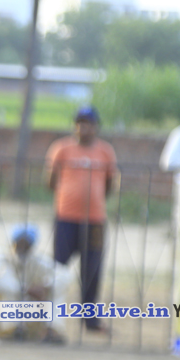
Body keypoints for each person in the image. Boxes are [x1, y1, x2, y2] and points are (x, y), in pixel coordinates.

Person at [44, 105, 117, 333]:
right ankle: (52, 317)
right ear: (75, 126)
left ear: (96, 127)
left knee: (92, 270)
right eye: (80, 123)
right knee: (58, 268)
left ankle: (90, 319)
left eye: (89, 124)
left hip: (95, 220)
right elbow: (50, 181)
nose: (84, 128)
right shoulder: (61, 149)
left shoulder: (105, 151)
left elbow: (109, 184)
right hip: (66, 217)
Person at [0, 226, 69, 343]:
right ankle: (12, 329)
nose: (22, 248)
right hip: (5, 307)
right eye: (19, 244)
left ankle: (51, 330)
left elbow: (64, 275)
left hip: (29, 303)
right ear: (13, 243)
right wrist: (26, 289)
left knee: (56, 290)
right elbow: (0, 281)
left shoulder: (36, 260)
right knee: (10, 293)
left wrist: (45, 287)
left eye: (26, 245)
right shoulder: (2, 259)